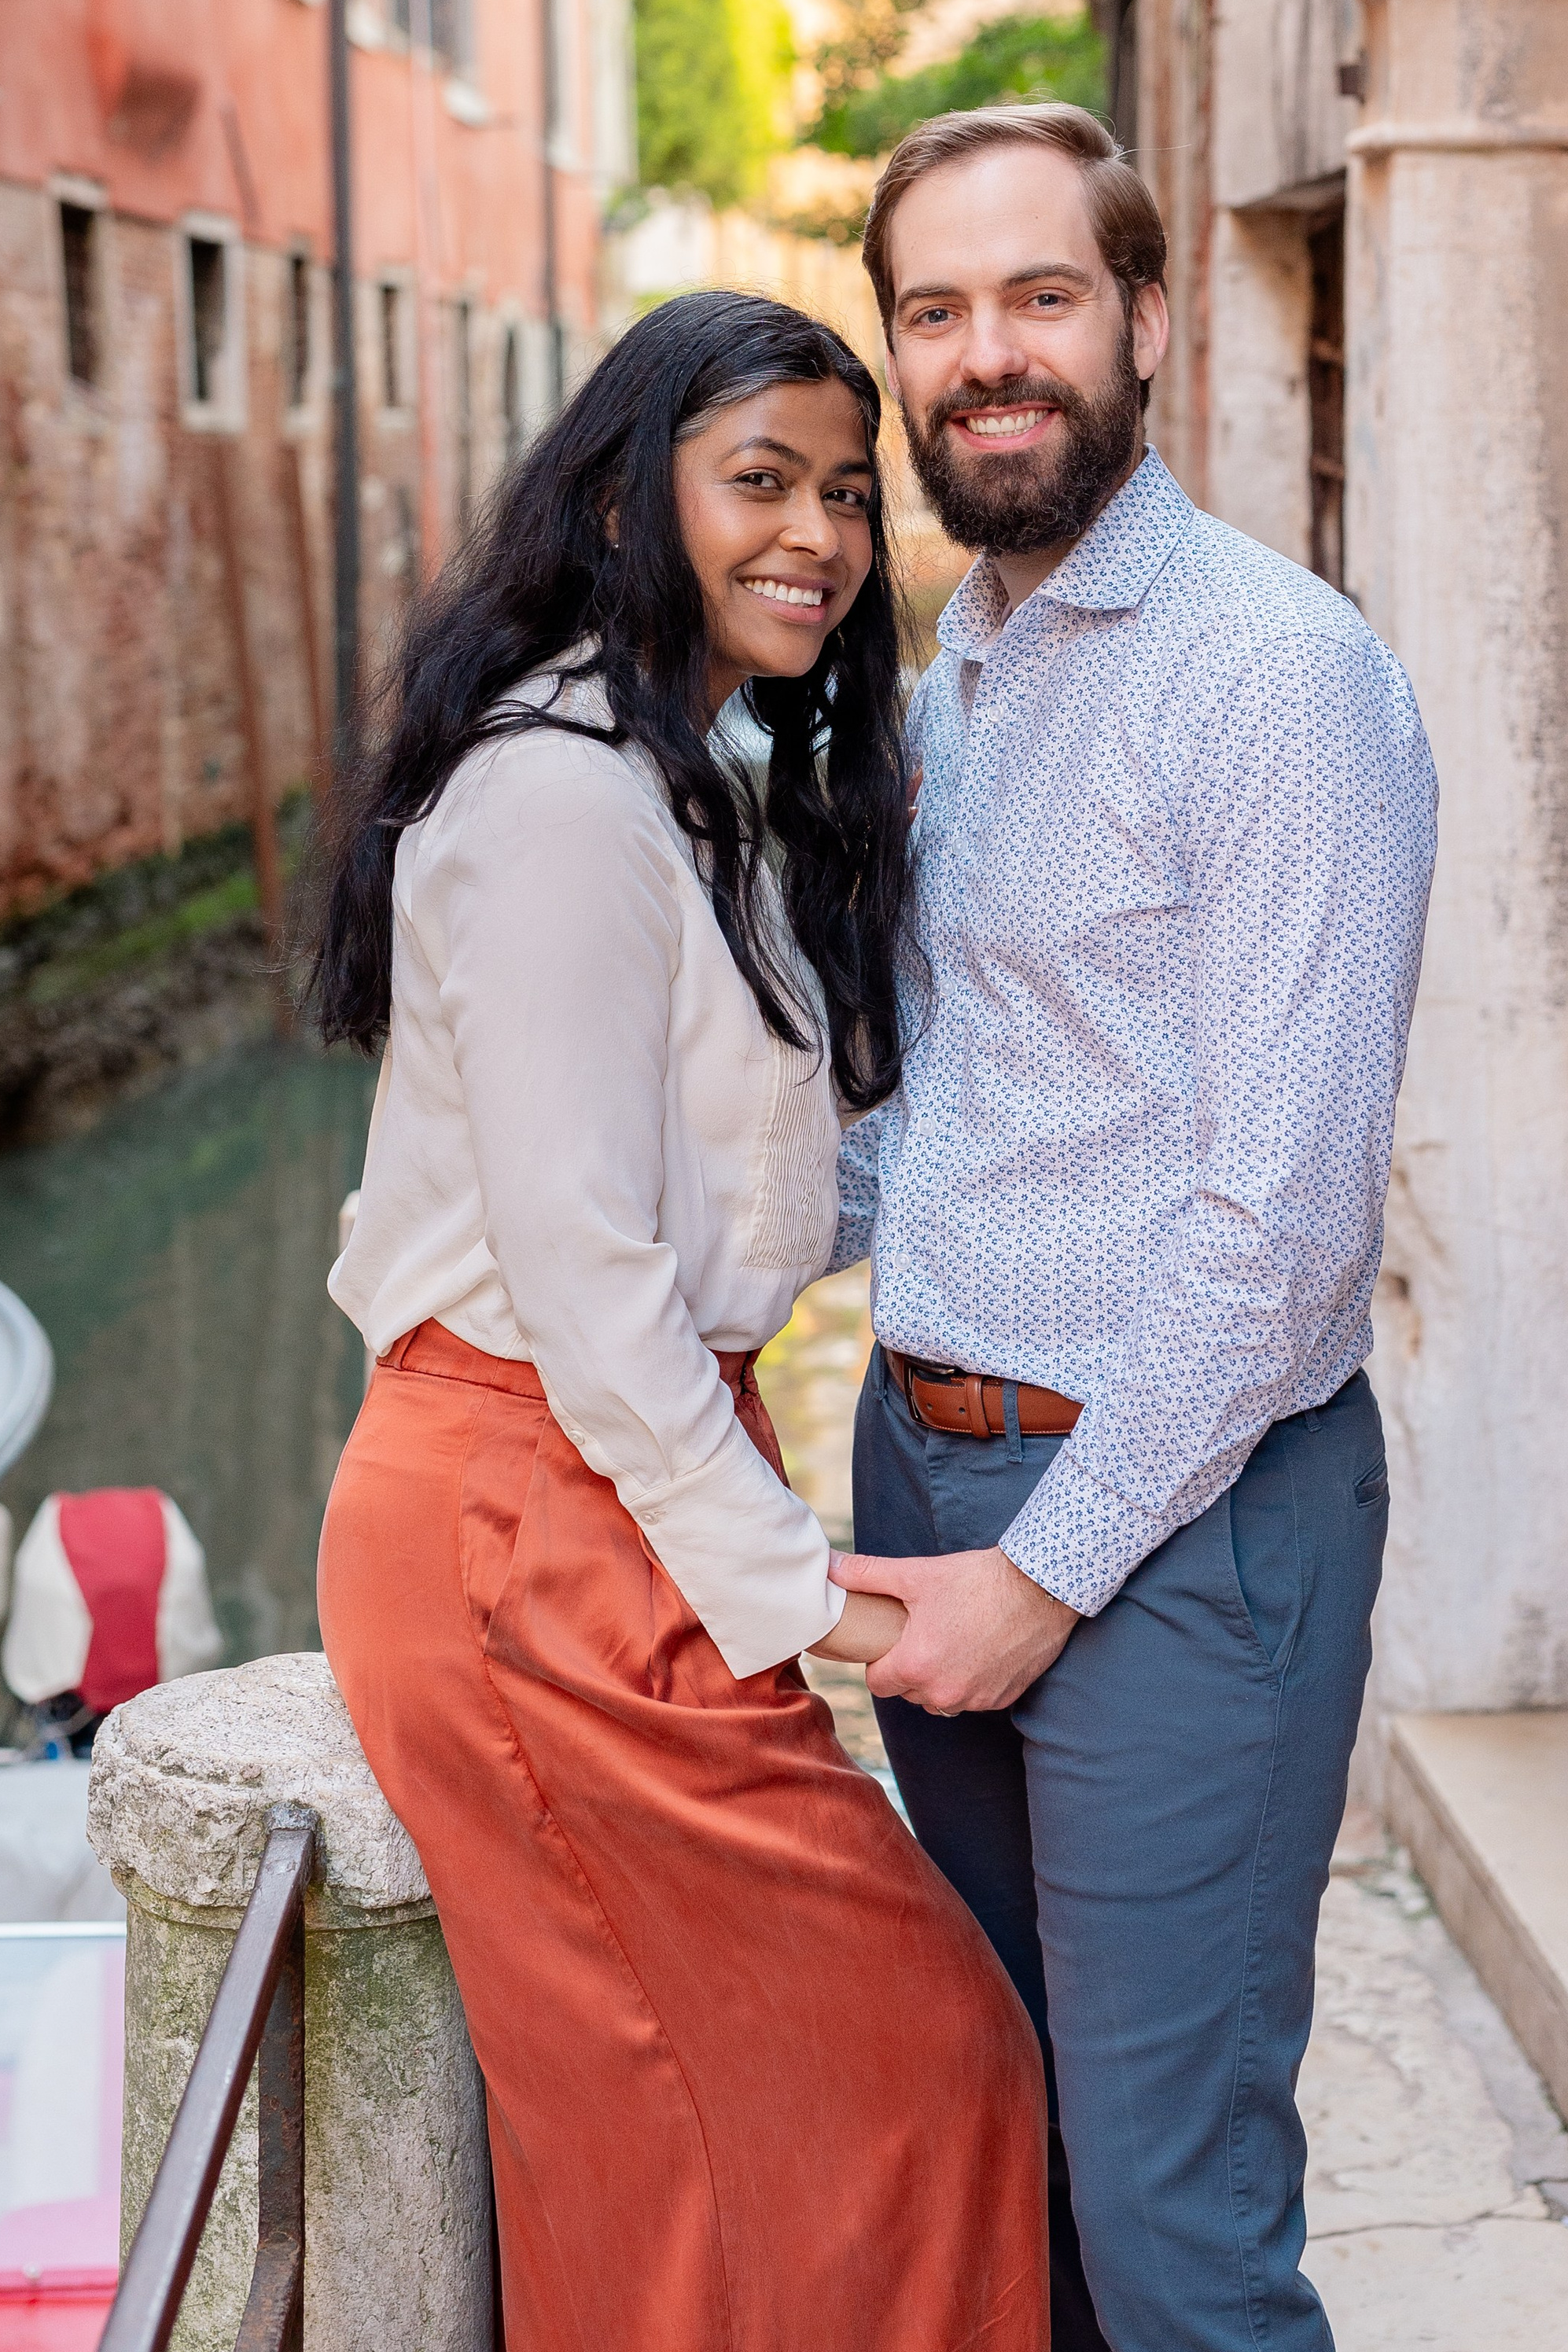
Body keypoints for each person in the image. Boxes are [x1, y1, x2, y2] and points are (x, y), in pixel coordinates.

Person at [312, 290, 1047, 2352]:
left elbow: (772, 1192)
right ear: (633, 501)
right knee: (898, 2075)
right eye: (758, 482)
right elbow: (579, 1266)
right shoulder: (560, 803)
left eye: (843, 488)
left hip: (599, 1491)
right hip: (531, 1519)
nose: (815, 531)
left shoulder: (687, 785)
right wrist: (790, 1585)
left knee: (714, 2128)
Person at [829, 107, 1438, 2352]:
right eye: (936, 310)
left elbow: (1279, 1231)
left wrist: (1044, 1574)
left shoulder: (1274, 679)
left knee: (1177, 2227)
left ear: (1147, 321)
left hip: (1176, 1533)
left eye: (1041, 297)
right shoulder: (952, 686)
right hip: (930, 1473)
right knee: (1028, 2171)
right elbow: (925, 1127)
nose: (988, 355)